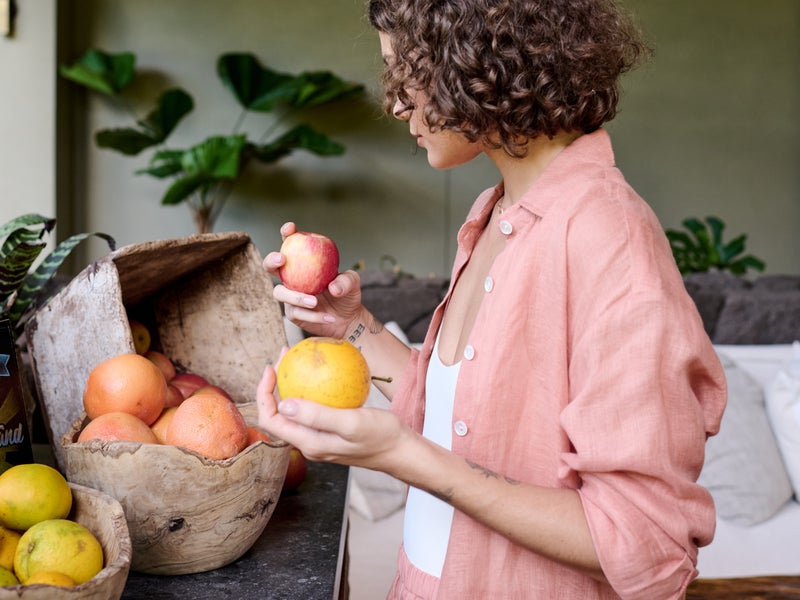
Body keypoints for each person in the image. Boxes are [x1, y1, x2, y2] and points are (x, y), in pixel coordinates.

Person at [257, 0, 727, 597]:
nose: (396, 103)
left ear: (477, 59)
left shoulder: (609, 237)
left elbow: (647, 541)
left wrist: (405, 456)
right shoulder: (496, 213)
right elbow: (465, 424)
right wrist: (350, 329)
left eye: (408, 73)